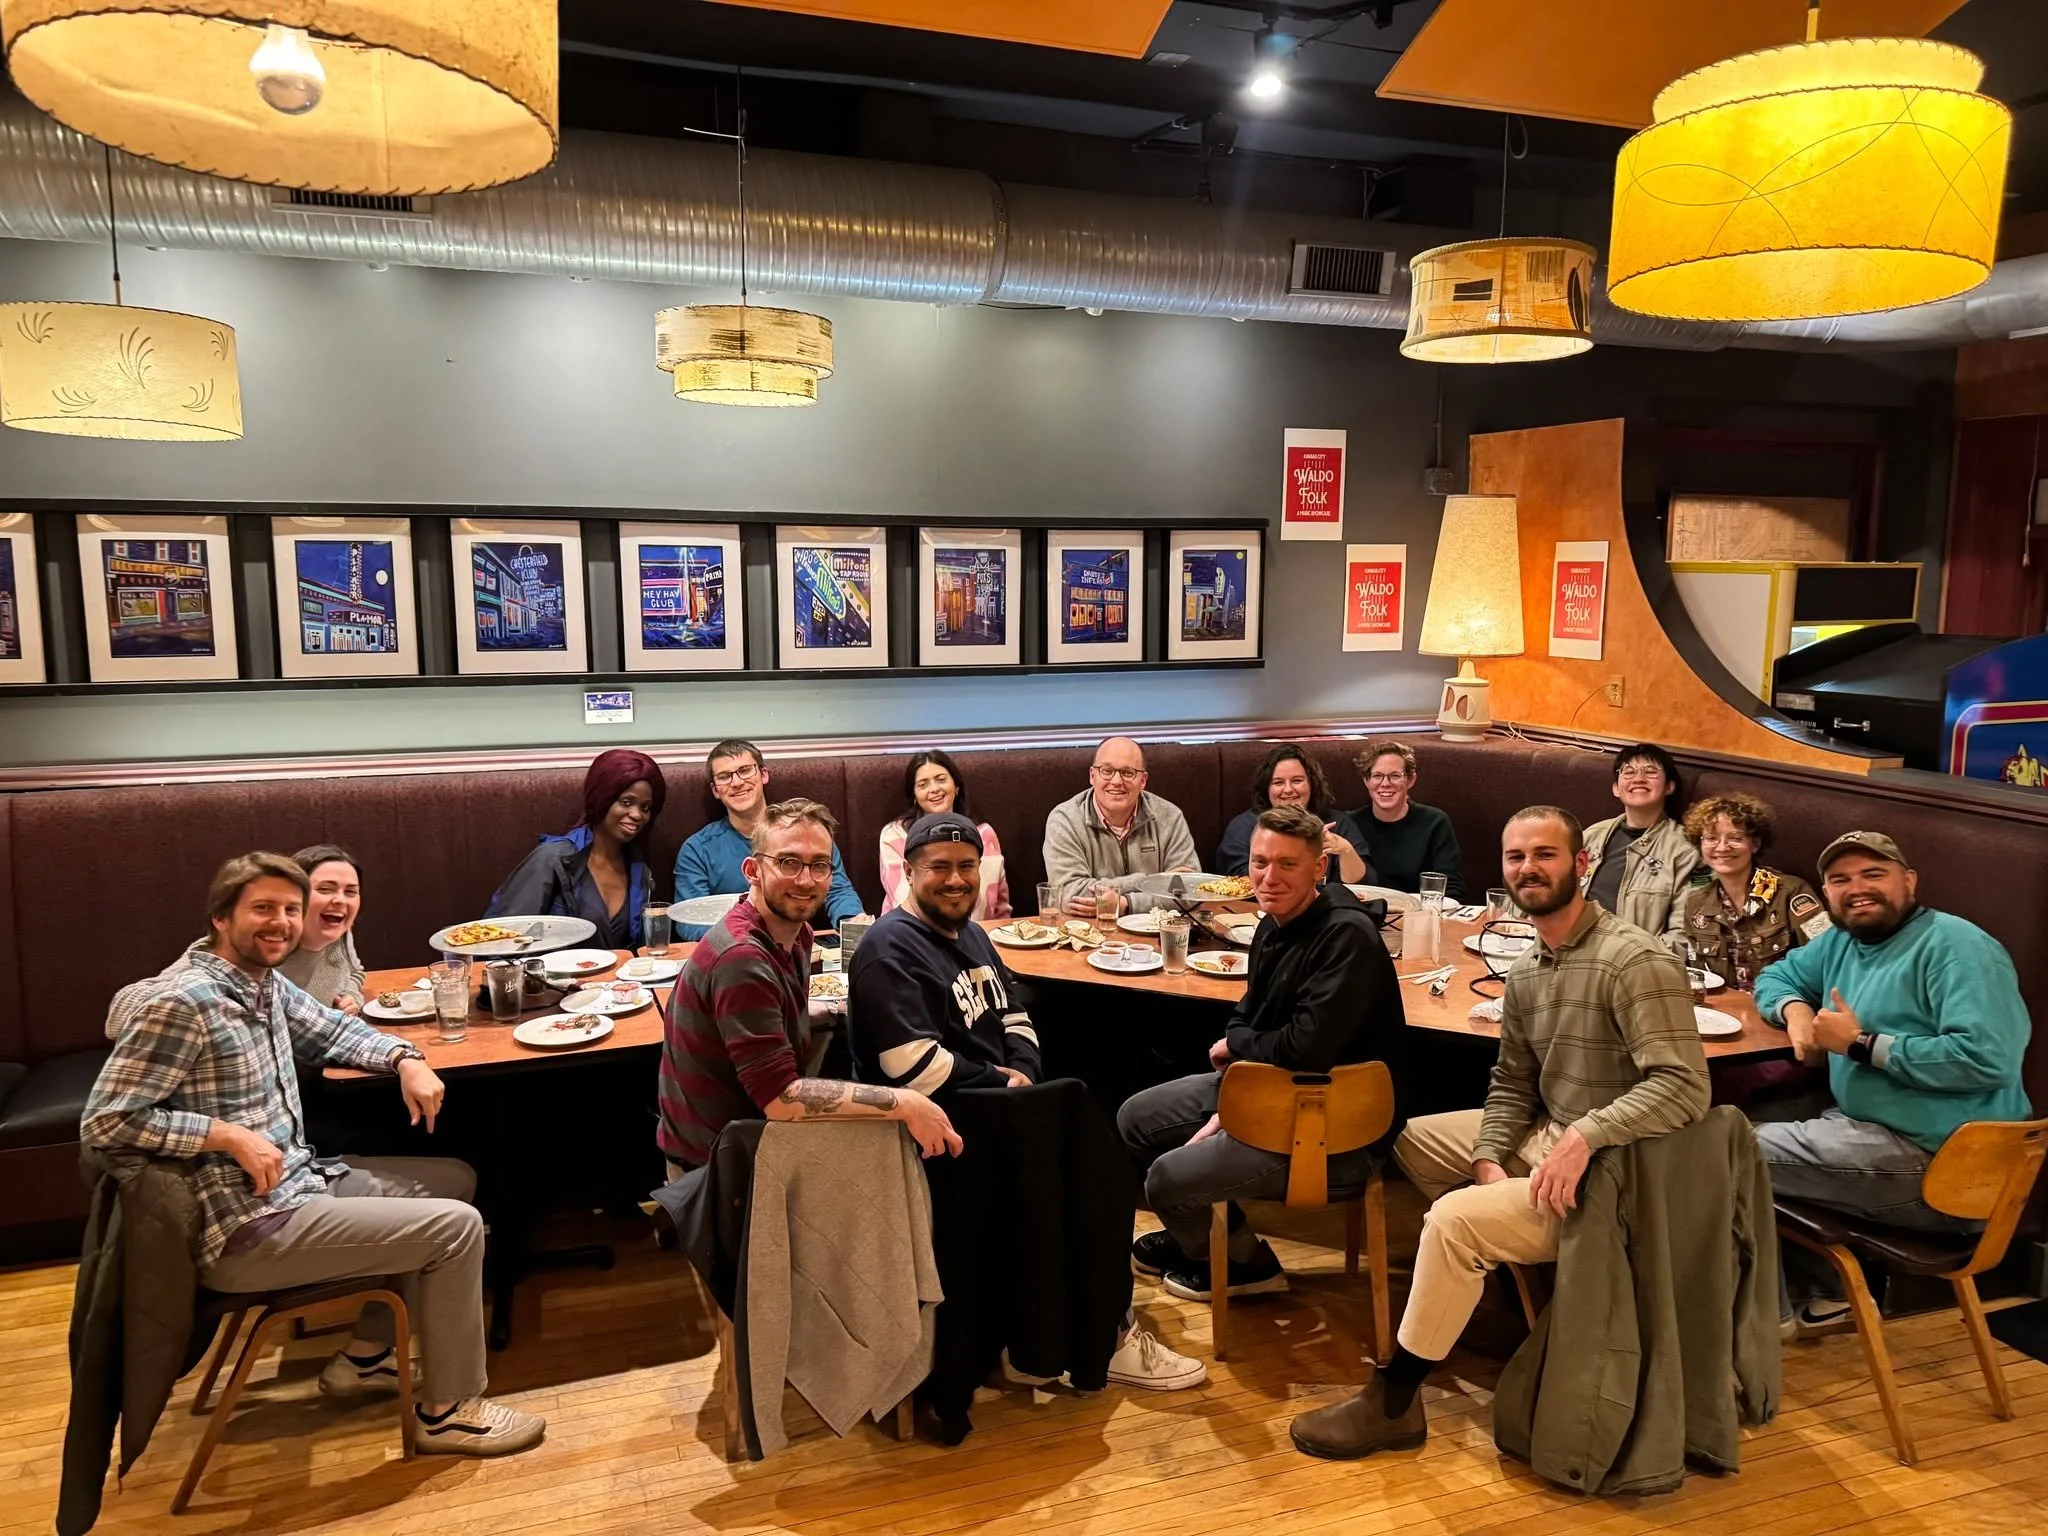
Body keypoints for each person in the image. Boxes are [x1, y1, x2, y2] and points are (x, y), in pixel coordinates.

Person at [80, 852, 544, 1456]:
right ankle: (447, 1412)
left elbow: (333, 1030)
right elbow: (106, 1119)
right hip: (243, 1226)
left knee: (452, 1179)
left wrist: (406, 1059)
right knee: (455, 1229)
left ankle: (370, 1357)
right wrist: (226, 1135)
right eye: (263, 909)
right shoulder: (186, 1002)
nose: (281, 923)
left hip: (298, 1184)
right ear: (221, 917)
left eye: (289, 911)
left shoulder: (264, 985)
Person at [1290, 806, 1707, 1461]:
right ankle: (1503, 1303)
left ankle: (1396, 1399)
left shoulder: (1634, 961)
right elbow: (1512, 1082)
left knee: (1453, 1221)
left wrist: (1586, 1136)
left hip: (1628, 1168)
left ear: (1582, 864)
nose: (1529, 868)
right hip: (1558, 1135)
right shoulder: (1532, 967)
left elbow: (1685, 1087)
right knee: (1411, 1140)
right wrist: (1488, 1156)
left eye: (1545, 854)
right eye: (1516, 857)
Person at [850, 811, 1207, 1391]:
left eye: (967, 866)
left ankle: (1062, 1333)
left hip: (994, 1108)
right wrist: (1006, 1083)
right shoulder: (889, 948)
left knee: (1098, 1165)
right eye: (939, 867)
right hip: (935, 1131)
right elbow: (910, 1068)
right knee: (1089, 1158)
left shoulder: (969, 931)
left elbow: (1015, 1013)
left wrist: (1022, 1073)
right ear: (909, 872)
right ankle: (1098, 1339)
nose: (956, 879)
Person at [1121, 805, 1407, 1302]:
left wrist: (1237, 1059)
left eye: (1287, 865)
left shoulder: (1346, 936)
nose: (1268, 878)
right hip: (1272, 1088)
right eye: (1259, 862)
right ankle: (1211, 1241)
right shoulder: (1273, 923)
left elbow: (1304, 1047)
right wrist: (1237, 1071)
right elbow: (1246, 1015)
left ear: (1319, 868)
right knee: (1136, 1118)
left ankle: (1246, 1266)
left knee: (1167, 1180)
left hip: (1334, 1127)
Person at [1752, 831, 2032, 1333]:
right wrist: (1795, 1013)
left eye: (1873, 874)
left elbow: (1989, 1059)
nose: (1857, 888)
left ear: (1909, 880)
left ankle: (1760, 1323)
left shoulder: (1957, 946)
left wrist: (1860, 1044)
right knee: (1718, 1126)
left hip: (1948, 1166)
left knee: (1716, 1148)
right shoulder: (1842, 940)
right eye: (1840, 880)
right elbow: (1778, 977)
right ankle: (1822, 1295)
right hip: (1868, 1131)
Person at [656, 797, 961, 1179]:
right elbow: (782, 1099)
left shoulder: (795, 933)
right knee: (900, 1151)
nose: (806, 880)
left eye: (819, 865)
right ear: (753, 869)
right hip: (718, 1165)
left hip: (746, 1132)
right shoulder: (740, 958)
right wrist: (904, 1103)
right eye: (788, 862)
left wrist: (838, 1010)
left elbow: (777, 1020)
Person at [105, 843, 370, 1038]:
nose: (340, 901)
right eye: (325, 889)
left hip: (310, 1066)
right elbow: (119, 1016)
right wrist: (213, 1008)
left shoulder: (337, 933)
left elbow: (355, 971)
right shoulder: (246, 949)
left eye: (351, 892)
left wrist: (350, 995)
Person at [672, 740, 863, 942]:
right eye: (724, 777)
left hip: (807, 947)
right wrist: (748, 941)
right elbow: (690, 922)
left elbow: (838, 890)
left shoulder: (808, 833)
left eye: (745, 770)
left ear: (763, 775)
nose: (736, 782)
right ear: (715, 790)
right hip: (734, 950)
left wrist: (853, 923)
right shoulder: (697, 849)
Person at [487, 748, 666, 950]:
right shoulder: (553, 859)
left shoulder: (638, 870)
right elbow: (498, 942)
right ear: (602, 798)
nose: (637, 815)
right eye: (626, 802)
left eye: (645, 807)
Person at [1678, 794, 1828, 993]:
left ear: (1755, 844)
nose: (1722, 847)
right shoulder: (1696, 904)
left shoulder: (1791, 892)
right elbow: (1699, 977)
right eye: (1712, 838)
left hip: (1784, 1009)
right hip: (1725, 1013)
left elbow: (1826, 957)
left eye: (1735, 838)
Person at [1042, 736, 1198, 915]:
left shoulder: (1169, 816)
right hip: (1088, 935)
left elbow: (1190, 891)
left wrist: (1125, 904)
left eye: (1127, 772)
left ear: (1143, 780)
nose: (1116, 781)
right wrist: (1151, 881)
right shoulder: (1065, 819)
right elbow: (1071, 894)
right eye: (1107, 771)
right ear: (1092, 776)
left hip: (1157, 934)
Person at [1580, 742, 1697, 955]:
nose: (1638, 778)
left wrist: (1628, 956)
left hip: (1634, 964)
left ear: (1670, 786)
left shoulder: (1687, 850)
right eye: (1628, 771)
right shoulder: (1591, 836)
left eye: (1651, 772)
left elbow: (1684, 936)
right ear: (1615, 788)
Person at [878, 750, 1011, 921]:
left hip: (979, 937)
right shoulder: (894, 835)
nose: (934, 789)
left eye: (941, 780)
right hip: (909, 935)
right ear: (914, 795)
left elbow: (1000, 909)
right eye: (923, 784)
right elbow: (903, 901)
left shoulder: (984, 834)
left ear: (956, 787)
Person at [1213, 744, 1369, 885]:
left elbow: (1365, 884)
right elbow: (1238, 880)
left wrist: (1345, 850)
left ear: (1311, 784)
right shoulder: (1244, 826)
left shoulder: (1338, 823)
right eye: (1278, 783)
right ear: (1267, 788)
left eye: (1297, 781)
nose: (1288, 789)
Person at [1349, 739, 1464, 900]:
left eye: (1395, 776)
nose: (1385, 784)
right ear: (1366, 781)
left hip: (1421, 917)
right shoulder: (1350, 824)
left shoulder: (1435, 822)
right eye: (1377, 776)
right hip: (1366, 916)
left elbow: (1451, 888)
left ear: (1410, 780)